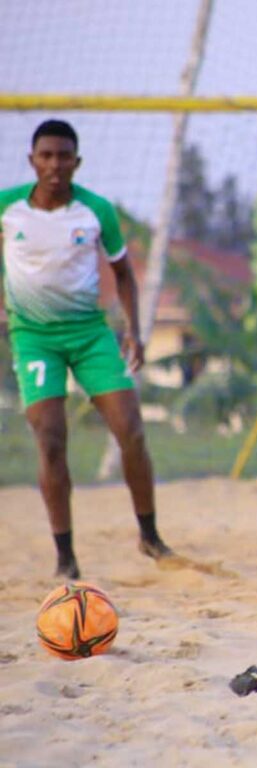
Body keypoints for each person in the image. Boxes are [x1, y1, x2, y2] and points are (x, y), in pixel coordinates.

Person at [0, 119, 174, 578]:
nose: (55, 165)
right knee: (51, 438)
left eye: (64, 156)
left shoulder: (96, 211)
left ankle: (151, 536)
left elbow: (123, 274)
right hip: (34, 337)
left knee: (131, 429)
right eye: (46, 156)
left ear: (77, 162)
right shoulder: (7, 207)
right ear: (32, 161)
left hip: (91, 334)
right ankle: (66, 558)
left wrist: (133, 331)